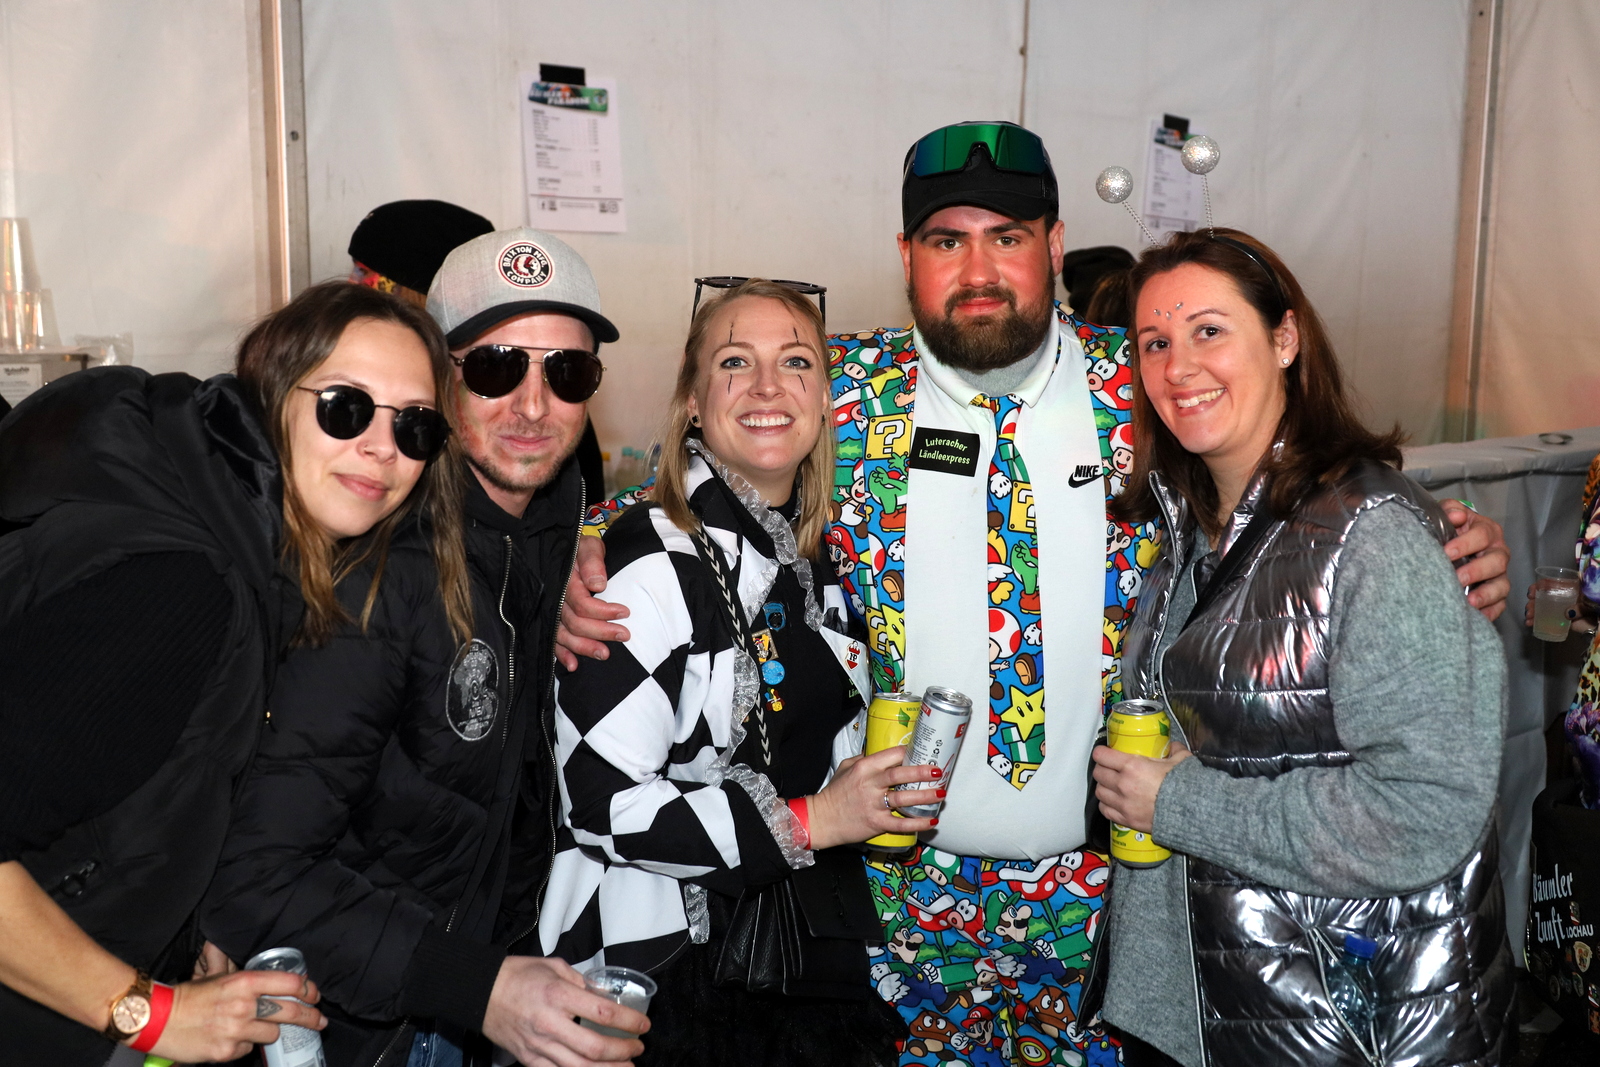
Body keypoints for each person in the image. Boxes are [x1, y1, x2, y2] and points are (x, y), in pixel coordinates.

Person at [558, 122, 1513, 1067]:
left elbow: (1286, 473)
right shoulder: (845, 394)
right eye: (946, 241)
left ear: (1055, 247)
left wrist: (1442, 531)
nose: (978, 269)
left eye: (1007, 237)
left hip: (1111, 904)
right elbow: (708, 470)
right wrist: (578, 546)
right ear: (906, 258)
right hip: (900, 914)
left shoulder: (1145, 386)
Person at [202, 228, 646, 1067]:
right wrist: (478, 987)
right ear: (437, 382)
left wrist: (576, 554)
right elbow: (255, 875)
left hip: (479, 989)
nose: (533, 404)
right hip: (370, 1023)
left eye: (567, 372)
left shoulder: (545, 530)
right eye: (495, 367)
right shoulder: (380, 571)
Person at [0, 280, 461, 1063]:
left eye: (414, 425)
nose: (383, 448)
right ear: (276, 395)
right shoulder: (181, 587)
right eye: (346, 407)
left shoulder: (242, 544)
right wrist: (148, 1012)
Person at [1092, 227, 1512, 1066]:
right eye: (1155, 343)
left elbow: (1424, 806)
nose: (1179, 367)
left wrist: (1177, 804)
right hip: (1199, 1006)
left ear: (1285, 339)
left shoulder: (1370, 533)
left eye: (1210, 330)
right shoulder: (1188, 527)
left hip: (1333, 1021)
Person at [541, 280, 936, 1066]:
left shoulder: (816, 563)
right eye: (734, 362)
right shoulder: (647, 564)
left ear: (823, 398)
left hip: (791, 963)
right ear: (692, 402)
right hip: (658, 984)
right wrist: (816, 819)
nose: (766, 386)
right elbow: (601, 804)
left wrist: (868, 795)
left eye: (795, 361)